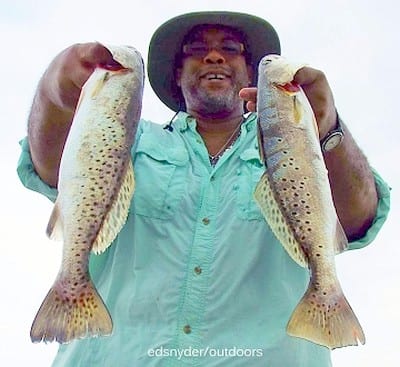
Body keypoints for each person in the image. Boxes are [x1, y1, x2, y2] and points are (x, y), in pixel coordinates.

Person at [18, 11, 390, 367]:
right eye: (197, 50)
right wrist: (55, 89)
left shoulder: (295, 143)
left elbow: (359, 216)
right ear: (177, 73)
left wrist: (328, 128)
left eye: (230, 48)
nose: (213, 56)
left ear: (249, 73)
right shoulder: (128, 139)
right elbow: (49, 162)